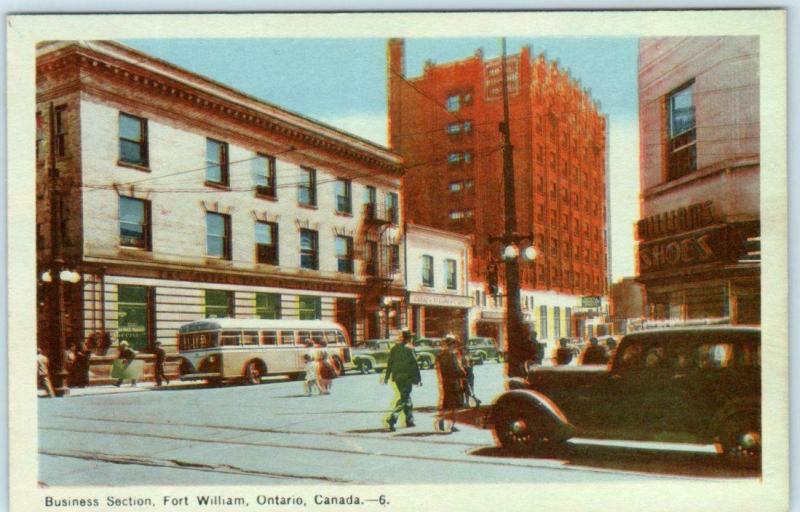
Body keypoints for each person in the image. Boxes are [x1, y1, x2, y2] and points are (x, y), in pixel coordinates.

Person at [382, 329, 422, 431]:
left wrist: (387, 377)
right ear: (409, 338)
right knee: (405, 399)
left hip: (397, 378)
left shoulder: (395, 348)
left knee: (406, 397)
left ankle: (410, 420)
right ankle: (392, 418)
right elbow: (415, 365)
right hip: (407, 378)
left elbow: (390, 363)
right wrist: (418, 379)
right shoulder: (410, 348)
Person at [435, 334, 466, 433]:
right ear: (452, 344)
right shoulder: (452, 355)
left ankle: (441, 420)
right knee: (454, 405)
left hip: (445, 381)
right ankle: (452, 425)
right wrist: (463, 373)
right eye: (454, 344)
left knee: (446, 403)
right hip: (454, 382)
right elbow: (456, 369)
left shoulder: (440, 355)